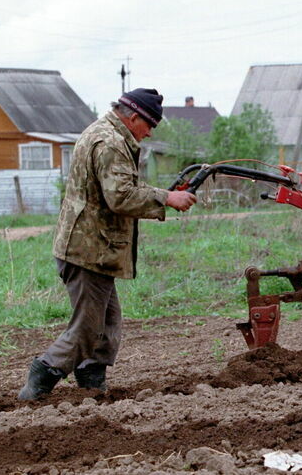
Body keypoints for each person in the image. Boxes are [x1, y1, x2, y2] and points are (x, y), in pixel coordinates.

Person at [18, 88, 196, 400]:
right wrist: (167, 198)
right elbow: (121, 196)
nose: (149, 133)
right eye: (149, 125)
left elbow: (120, 186)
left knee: (107, 324)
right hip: (88, 251)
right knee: (88, 328)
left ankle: (91, 385)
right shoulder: (112, 143)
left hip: (91, 247)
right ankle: (42, 377)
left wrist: (159, 194)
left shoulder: (102, 131)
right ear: (134, 116)